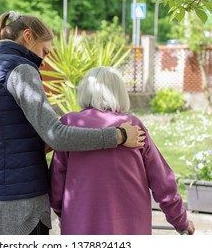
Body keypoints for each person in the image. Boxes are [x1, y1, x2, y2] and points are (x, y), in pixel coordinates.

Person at [0, 11, 145, 235]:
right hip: (23, 204)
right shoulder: (21, 70)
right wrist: (118, 136)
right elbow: (56, 135)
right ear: (27, 36)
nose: (44, 61)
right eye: (44, 51)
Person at [49, 66, 195, 235]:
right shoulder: (133, 126)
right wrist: (180, 221)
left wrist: (64, 215)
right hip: (130, 228)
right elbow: (162, 182)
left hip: (82, 225)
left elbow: (56, 184)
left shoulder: (70, 123)